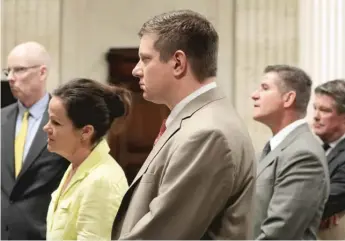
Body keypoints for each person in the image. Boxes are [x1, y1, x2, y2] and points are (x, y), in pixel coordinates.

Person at [111, 10, 256, 240]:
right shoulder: (199, 121)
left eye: (146, 59)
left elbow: (161, 234)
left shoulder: (207, 133)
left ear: (178, 63)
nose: (136, 70)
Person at [43, 78, 129, 240]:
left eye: (55, 122)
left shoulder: (102, 180)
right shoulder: (76, 166)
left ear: (86, 132)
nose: (46, 127)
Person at [251, 64, 330, 239]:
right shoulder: (276, 147)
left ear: (288, 98)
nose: (254, 95)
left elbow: (279, 233)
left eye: (264, 88)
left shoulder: (303, 155)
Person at [1, 42, 69, 240]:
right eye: (9, 71)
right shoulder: (1, 118)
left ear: (42, 72)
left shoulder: (66, 120)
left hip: (43, 232)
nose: (11, 78)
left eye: (19, 70)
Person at [312, 79, 345, 240]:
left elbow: (328, 199)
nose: (316, 116)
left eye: (325, 110)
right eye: (315, 108)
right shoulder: (317, 149)